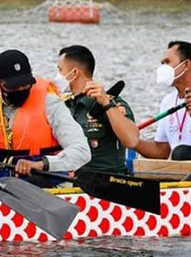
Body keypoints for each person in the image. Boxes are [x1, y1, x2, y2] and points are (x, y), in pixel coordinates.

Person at [0, 49, 90, 180]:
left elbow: (82, 151)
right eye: (13, 86)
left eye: (25, 84)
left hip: (45, 178)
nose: (20, 89)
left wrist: (41, 164)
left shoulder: (50, 102)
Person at [56, 45, 138, 174]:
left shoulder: (113, 102)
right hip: (71, 180)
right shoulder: (64, 105)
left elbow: (132, 140)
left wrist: (107, 104)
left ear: (75, 73)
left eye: (60, 70)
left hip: (106, 181)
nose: (57, 76)